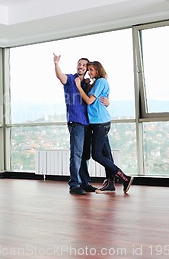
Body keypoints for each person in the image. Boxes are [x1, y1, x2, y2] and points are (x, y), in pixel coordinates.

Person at [74, 61, 134, 194]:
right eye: (88, 70)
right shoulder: (98, 82)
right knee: (106, 154)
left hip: (100, 123)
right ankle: (111, 183)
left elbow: (89, 101)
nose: (89, 72)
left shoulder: (101, 81)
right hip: (99, 122)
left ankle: (124, 177)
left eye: (92, 70)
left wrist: (78, 87)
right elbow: (102, 99)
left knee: (96, 154)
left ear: (98, 70)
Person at [54, 53, 102, 195]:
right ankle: (74, 184)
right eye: (79, 64)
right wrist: (56, 63)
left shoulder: (87, 84)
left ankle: (85, 182)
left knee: (85, 155)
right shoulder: (70, 79)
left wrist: (107, 101)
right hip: (76, 122)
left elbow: (95, 98)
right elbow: (60, 76)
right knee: (76, 154)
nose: (80, 66)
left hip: (88, 123)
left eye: (84, 65)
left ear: (87, 69)